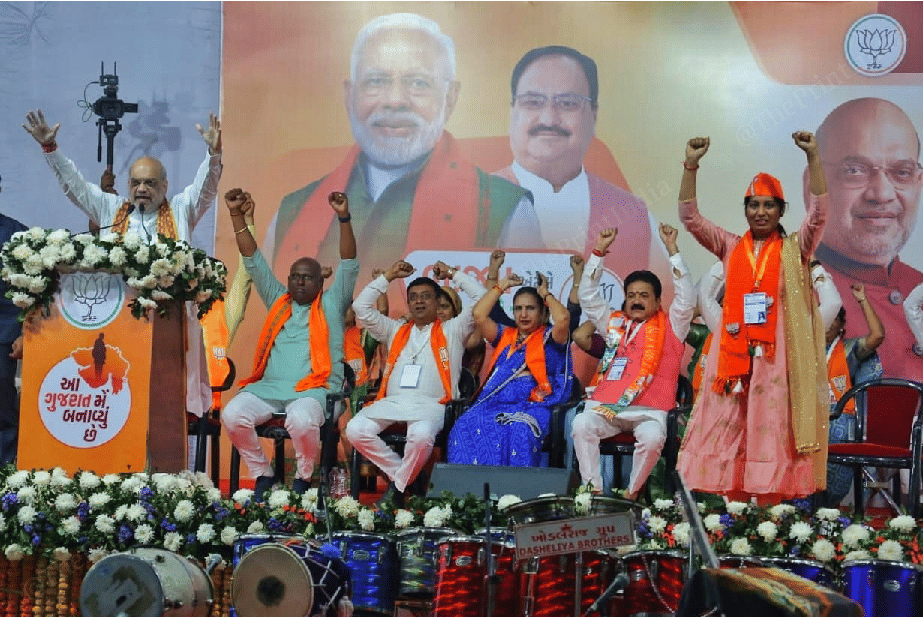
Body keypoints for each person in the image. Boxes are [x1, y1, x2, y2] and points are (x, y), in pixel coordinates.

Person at [269, 13, 539, 287]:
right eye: (376, 81)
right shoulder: (291, 212)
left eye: (418, 83)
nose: (395, 100)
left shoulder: (505, 210)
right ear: (350, 96)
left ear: (450, 98)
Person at [23, 109, 223, 419]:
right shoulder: (111, 208)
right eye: (136, 183)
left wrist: (213, 155)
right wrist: (51, 148)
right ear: (128, 184)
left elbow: (206, 187)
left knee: (164, 406)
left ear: (164, 186)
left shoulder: (181, 208)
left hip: (168, 327)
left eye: (150, 183)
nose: (142, 189)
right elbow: (75, 186)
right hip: (116, 325)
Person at [677, 132, 829, 503]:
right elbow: (690, 218)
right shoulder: (730, 246)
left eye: (769, 205)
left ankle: (769, 516)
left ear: (781, 211)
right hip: (732, 357)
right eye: (754, 205)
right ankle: (737, 517)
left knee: (770, 430)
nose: (761, 212)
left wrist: (813, 157)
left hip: (776, 361)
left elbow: (820, 214)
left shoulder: (796, 248)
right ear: (745, 210)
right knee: (731, 429)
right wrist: (691, 165)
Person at [493, 45, 671, 293]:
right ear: (512, 112)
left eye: (567, 103)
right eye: (532, 102)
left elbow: (667, 304)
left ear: (593, 116)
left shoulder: (632, 214)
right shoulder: (477, 199)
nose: (549, 119)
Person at [221, 189, 358, 501]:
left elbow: (349, 263)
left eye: (307, 277)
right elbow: (253, 261)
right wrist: (236, 215)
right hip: (270, 389)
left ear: (321, 283)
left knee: (300, 419)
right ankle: (263, 473)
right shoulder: (278, 300)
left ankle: (303, 477)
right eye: (295, 276)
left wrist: (343, 218)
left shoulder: (333, 304)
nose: (300, 282)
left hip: (317, 391)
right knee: (232, 414)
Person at [346, 259, 484, 507]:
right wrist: (388, 275)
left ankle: (397, 488)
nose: (419, 301)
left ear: (438, 303)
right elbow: (361, 307)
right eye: (413, 297)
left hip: (432, 405)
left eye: (426, 296)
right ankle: (407, 479)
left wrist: (452, 273)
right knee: (355, 430)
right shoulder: (395, 330)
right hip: (393, 403)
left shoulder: (454, 329)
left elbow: (481, 297)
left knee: (420, 436)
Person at [571, 223, 695, 499]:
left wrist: (672, 250)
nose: (636, 301)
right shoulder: (615, 324)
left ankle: (631, 494)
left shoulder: (673, 326)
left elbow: (687, 298)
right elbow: (588, 297)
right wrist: (598, 251)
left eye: (644, 295)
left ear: (658, 301)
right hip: (609, 409)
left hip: (649, 412)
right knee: (581, 424)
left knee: (652, 438)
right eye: (631, 296)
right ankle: (593, 491)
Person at [807, 97, 923, 381]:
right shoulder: (795, 289)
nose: (881, 194)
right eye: (854, 170)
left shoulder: (916, 285)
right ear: (813, 186)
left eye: (902, 172)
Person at [447, 272, 573, 466]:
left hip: (534, 406)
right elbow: (479, 314)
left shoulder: (552, 338)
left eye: (530, 308)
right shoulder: (505, 336)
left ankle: (515, 486)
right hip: (495, 404)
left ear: (543, 313)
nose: (523, 314)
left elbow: (563, 319)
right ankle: (474, 485)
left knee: (519, 430)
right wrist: (502, 285)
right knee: (464, 425)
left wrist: (546, 295)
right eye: (518, 308)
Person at [823, 283, 884, 507]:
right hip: (806, 420)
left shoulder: (849, 349)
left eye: (833, 319)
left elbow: (877, 336)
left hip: (838, 419)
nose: (826, 323)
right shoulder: (800, 351)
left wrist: (862, 299)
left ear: (841, 325)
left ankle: (827, 510)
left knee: (830, 494)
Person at [0, 174, 28, 464]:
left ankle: (5, 470)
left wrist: (25, 331)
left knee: (2, 408)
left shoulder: (15, 235)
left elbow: (33, 287)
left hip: (3, 331)